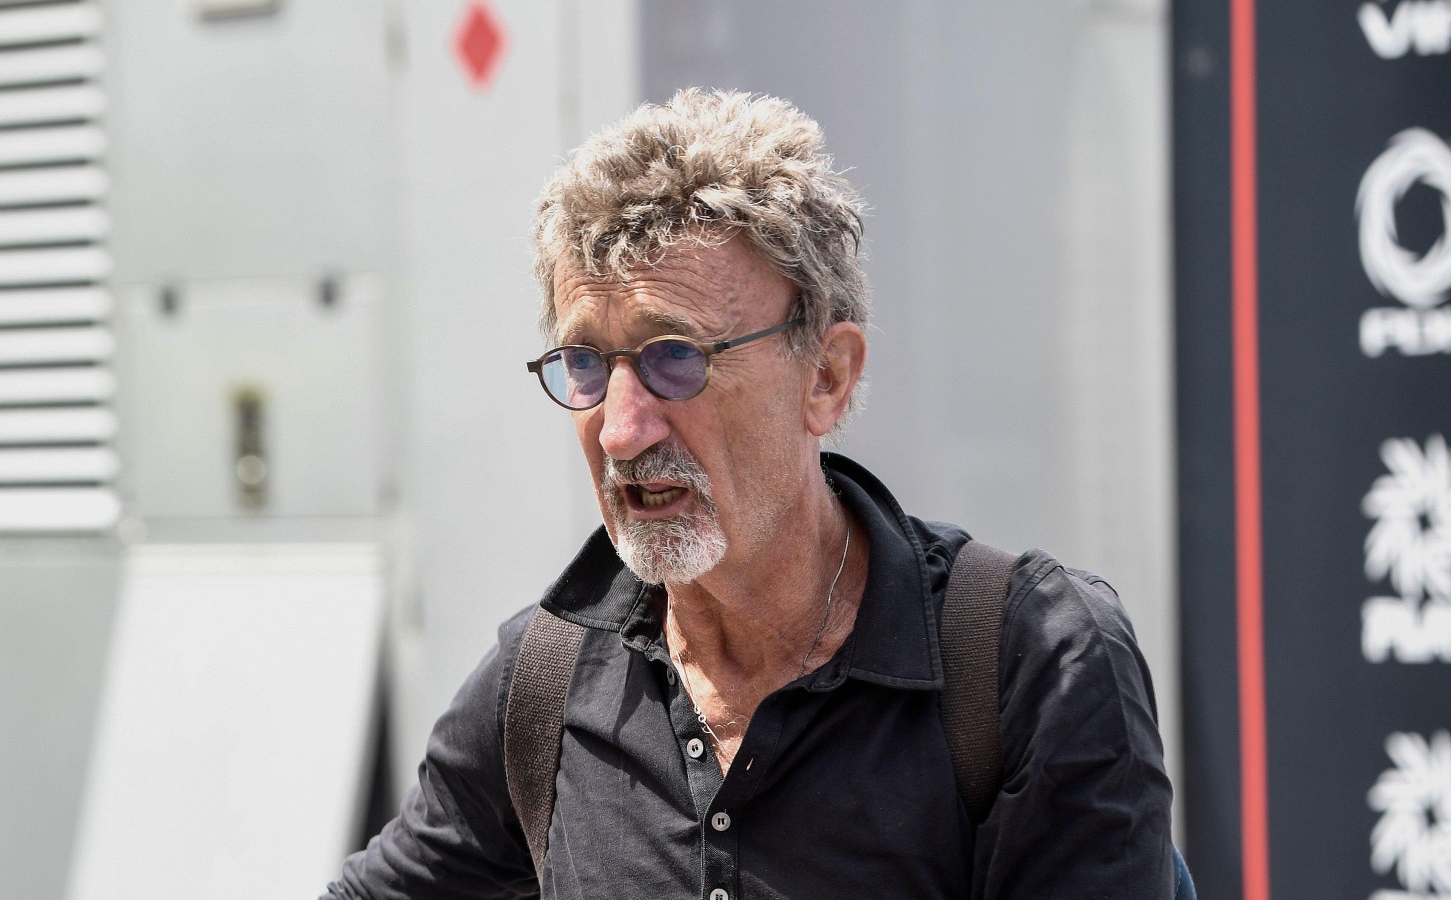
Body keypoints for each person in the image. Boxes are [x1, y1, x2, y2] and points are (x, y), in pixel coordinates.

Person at [323, 88, 1174, 899]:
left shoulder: (1028, 664)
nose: (621, 430)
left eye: (675, 357)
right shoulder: (544, 681)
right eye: (586, 363)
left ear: (827, 377)